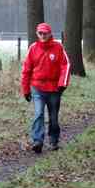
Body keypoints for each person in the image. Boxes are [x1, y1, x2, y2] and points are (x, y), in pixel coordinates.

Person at [21, 23, 71, 153]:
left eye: (45, 33)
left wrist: (62, 84)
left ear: (50, 34)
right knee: (39, 113)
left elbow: (66, 66)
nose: (43, 36)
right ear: (37, 34)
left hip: (55, 89)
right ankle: (37, 141)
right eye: (40, 33)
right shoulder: (33, 48)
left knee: (53, 117)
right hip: (37, 87)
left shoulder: (58, 47)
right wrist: (26, 90)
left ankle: (54, 140)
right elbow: (26, 70)